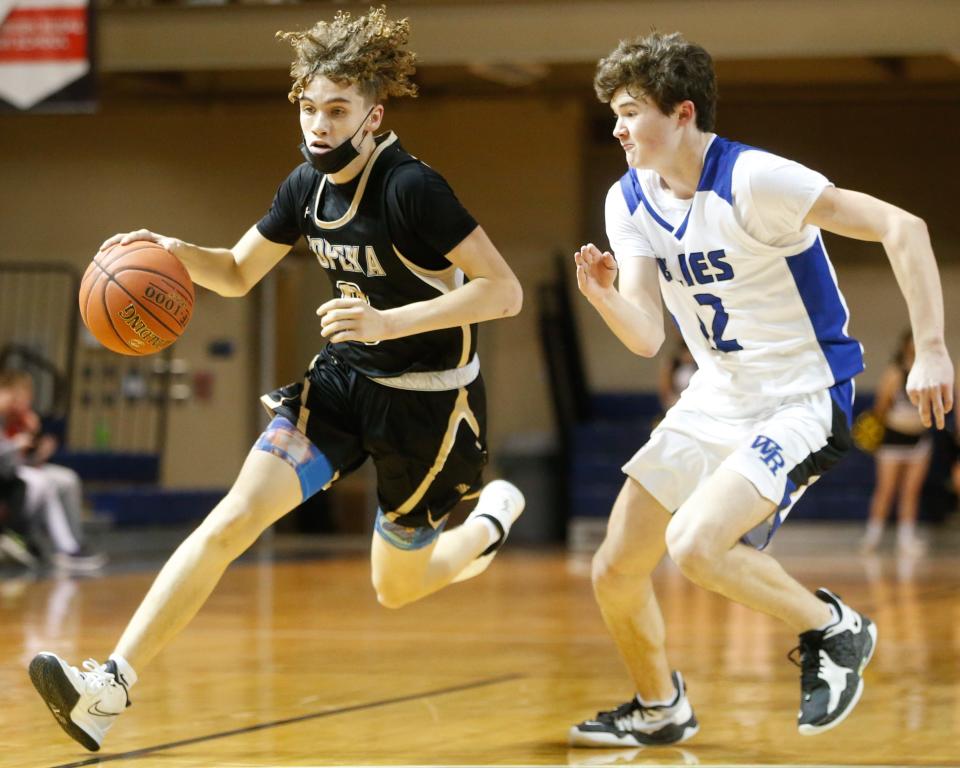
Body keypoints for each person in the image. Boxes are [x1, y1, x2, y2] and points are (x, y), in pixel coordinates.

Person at [28, 7, 524, 753]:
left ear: (373, 115)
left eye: (337, 110)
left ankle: (488, 524)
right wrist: (168, 249)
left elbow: (505, 291)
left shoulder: (412, 189)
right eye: (309, 108)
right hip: (342, 388)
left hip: (431, 407)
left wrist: (389, 323)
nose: (320, 125)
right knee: (231, 520)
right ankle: (110, 686)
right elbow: (232, 273)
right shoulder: (304, 188)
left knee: (397, 587)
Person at [569, 31, 953, 747]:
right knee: (616, 567)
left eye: (630, 111)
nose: (617, 128)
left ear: (683, 113)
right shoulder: (628, 201)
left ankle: (833, 628)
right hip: (718, 394)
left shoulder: (754, 179)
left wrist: (931, 347)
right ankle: (660, 707)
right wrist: (603, 298)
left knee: (696, 546)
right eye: (613, 114)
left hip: (803, 396)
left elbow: (906, 227)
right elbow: (648, 335)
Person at [0, 370, 104, 573]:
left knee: (67, 478)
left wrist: (39, 450)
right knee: (40, 484)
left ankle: (73, 542)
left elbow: (20, 461)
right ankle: (30, 538)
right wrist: (16, 445)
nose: (22, 400)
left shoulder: (17, 419)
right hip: (9, 475)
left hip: (14, 472)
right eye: (17, 394)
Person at [861, 331, 932, 555]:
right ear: (905, 345)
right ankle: (872, 538)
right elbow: (880, 407)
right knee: (886, 490)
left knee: (911, 492)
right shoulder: (894, 373)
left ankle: (906, 540)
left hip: (919, 441)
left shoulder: (931, 374)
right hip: (892, 440)